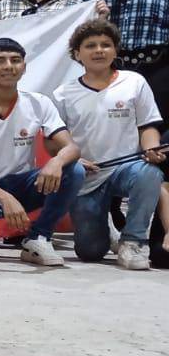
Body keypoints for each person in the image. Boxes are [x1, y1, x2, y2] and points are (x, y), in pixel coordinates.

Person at [0, 38, 84, 267]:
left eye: (15, 60)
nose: (8, 66)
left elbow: (71, 147)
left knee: (74, 170)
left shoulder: (39, 103)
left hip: (26, 185)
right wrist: (5, 198)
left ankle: (38, 237)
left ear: (24, 67)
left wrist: (56, 162)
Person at [52, 20, 166, 270]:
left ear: (115, 50)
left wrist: (151, 148)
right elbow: (55, 142)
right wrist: (75, 160)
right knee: (90, 251)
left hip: (127, 168)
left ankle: (133, 241)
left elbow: (147, 126)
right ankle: (107, 229)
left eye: (106, 45)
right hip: (87, 175)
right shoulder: (63, 93)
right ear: (77, 54)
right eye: (90, 45)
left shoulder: (134, 81)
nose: (99, 50)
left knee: (150, 174)